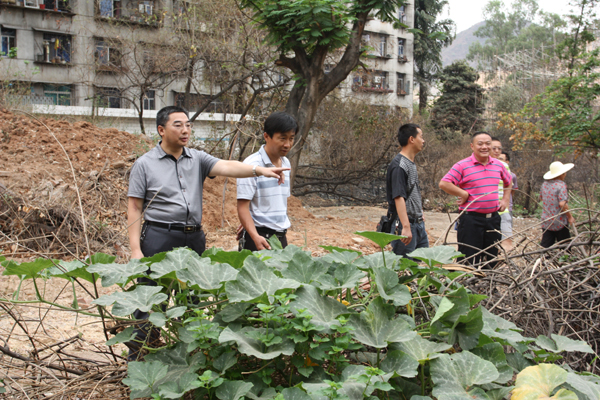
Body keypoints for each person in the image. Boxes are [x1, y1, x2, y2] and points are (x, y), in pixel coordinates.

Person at [126, 106, 288, 360]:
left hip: (193, 237)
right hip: (159, 236)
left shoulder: (198, 159)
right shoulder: (144, 164)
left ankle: (189, 360)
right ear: (161, 129)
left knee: (192, 299)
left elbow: (227, 167)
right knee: (149, 299)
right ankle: (138, 359)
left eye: (188, 125)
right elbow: (134, 206)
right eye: (178, 125)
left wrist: (260, 170)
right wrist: (136, 249)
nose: (185, 130)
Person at [439, 132, 512, 267]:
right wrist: (463, 194)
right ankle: (466, 286)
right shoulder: (462, 165)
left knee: (491, 257)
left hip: (493, 219)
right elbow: (444, 183)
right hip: (470, 220)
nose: (484, 147)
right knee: (468, 258)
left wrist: (505, 200)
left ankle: (487, 287)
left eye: (488, 144)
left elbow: (509, 182)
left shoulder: (498, 165)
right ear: (472, 146)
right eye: (480, 144)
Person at [237, 112, 297, 251]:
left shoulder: (286, 163)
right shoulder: (251, 165)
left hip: (281, 236)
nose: (287, 144)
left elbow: (277, 203)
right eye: (282, 138)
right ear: (266, 136)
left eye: (291, 138)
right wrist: (253, 234)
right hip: (259, 237)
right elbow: (242, 207)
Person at [385, 123, 428, 257]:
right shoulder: (399, 165)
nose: (423, 140)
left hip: (418, 223)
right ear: (412, 139)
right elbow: (398, 197)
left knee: (420, 266)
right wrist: (406, 226)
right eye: (421, 136)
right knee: (403, 269)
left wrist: (419, 212)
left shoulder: (410, 162)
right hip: (406, 225)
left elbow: (412, 191)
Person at [540, 161, 575, 248]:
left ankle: (543, 260)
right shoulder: (561, 185)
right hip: (559, 221)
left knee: (546, 246)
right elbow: (562, 203)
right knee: (565, 245)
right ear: (562, 174)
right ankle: (566, 260)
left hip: (547, 220)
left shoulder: (544, 184)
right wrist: (570, 217)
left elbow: (541, 198)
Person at [490, 138, 513, 249]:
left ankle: (504, 263)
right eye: (494, 148)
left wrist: (505, 200)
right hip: (486, 210)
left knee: (506, 240)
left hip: (502, 209)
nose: (497, 151)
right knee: (491, 243)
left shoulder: (503, 165)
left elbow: (509, 183)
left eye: (499, 148)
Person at [498, 152, 518, 250]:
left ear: (507, 161)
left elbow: (512, 191)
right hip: (494, 208)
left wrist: (507, 201)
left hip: (506, 208)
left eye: (501, 159)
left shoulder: (512, 175)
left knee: (506, 235)